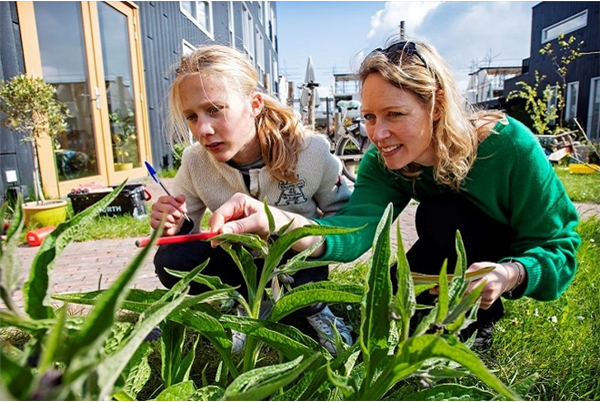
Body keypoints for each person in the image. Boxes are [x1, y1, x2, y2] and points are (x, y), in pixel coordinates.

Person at [208, 39, 582, 351]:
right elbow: (354, 231)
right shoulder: (383, 163)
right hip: (451, 251)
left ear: (435, 105)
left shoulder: (508, 146)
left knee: (444, 215)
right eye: (370, 117)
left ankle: (476, 319)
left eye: (394, 114)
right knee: (397, 282)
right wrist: (277, 220)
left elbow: (560, 244)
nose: (378, 133)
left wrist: (511, 273)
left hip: (502, 260)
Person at [150, 44, 353, 355]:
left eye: (215, 109)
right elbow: (185, 229)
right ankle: (244, 304)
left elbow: (344, 216)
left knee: (300, 284)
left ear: (254, 104)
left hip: (296, 261)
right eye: (191, 116)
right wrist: (170, 225)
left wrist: (299, 234)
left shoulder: (311, 151)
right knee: (171, 260)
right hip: (238, 263)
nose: (202, 129)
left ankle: (313, 309)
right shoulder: (194, 162)